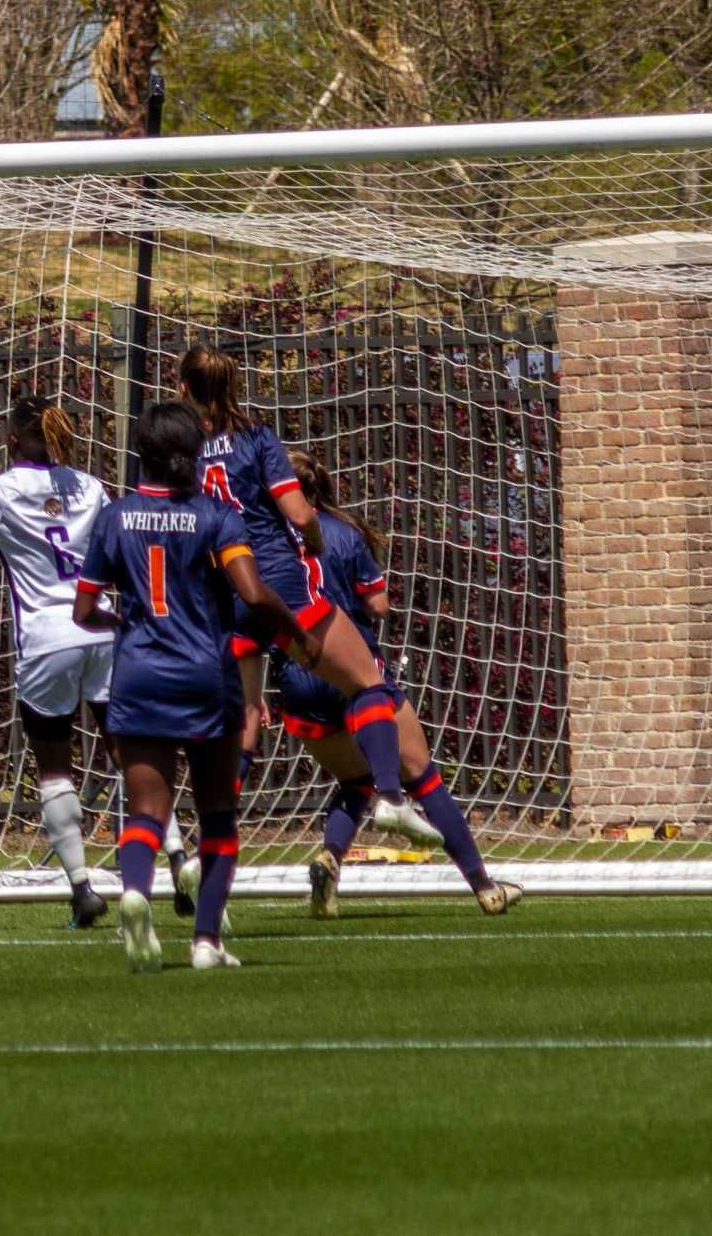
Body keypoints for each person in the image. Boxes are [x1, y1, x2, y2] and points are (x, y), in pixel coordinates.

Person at [73, 402, 304, 974]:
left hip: (139, 673)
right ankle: (206, 941)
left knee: (148, 809)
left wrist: (121, 623)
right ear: (193, 455)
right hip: (204, 674)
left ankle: (133, 890)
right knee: (219, 814)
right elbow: (252, 594)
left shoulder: (115, 517)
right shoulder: (215, 516)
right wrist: (296, 630)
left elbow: (84, 609)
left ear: (142, 455)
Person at [177, 345, 439, 850]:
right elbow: (298, 513)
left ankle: (209, 839)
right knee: (368, 682)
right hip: (278, 587)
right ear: (233, 384)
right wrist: (314, 542)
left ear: (183, 388)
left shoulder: (182, 450)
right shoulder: (256, 438)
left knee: (248, 719)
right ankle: (390, 797)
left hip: (223, 595)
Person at [280, 452, 521, 919]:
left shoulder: (264, 544)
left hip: (296, 679)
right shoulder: (343, 535)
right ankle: (484, 886)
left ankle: (329, 858)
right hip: (349, 665)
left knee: (354, 779)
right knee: (424, 776)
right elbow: (378, 604)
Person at [0, 393, 119, 929]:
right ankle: (177, 862)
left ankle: (82, 888)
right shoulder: (90, 486)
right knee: (132, 754)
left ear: (11, 439)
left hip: (46, 640)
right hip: (104, 630)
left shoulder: (0, 489)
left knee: (55, 767)